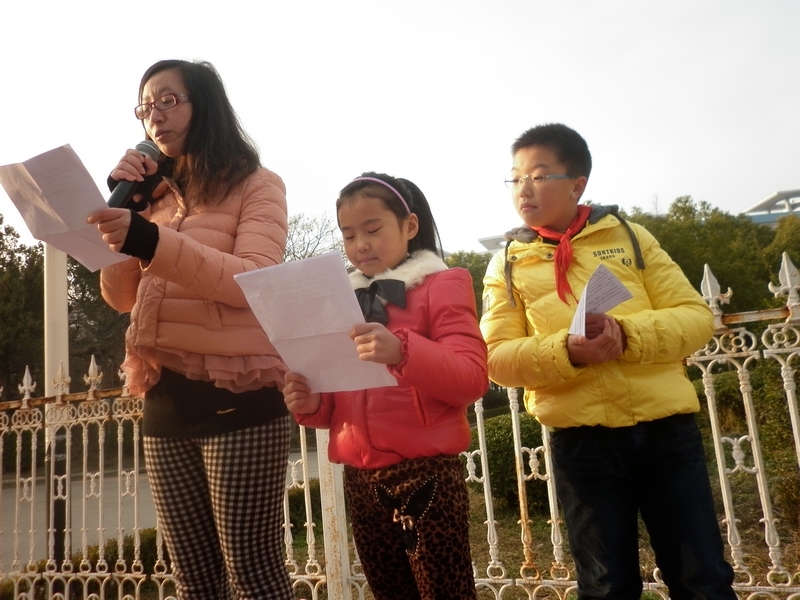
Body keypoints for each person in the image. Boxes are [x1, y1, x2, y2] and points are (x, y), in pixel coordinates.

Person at [480, 123, 737, 600]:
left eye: (539, 175)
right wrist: (566, 351)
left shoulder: (630, 236)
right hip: (582, 441)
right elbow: (497, 358)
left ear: (577, 184)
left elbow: (696, 317)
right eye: (515, 178)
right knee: (605, 585)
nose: (524, 189)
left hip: (666, 431)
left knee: (703, 578)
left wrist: (628, 335)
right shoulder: (508, 263)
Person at [88, 59, 293, 600]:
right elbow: (121, 298)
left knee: (253, 577)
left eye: (168, 100)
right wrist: (131, 211)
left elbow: (253, 280)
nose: (154, 115)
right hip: (165, 400)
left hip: (239, 397)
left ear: (206, 106)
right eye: (145, 106)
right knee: (194, 581)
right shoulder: (152, 198)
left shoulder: (258, 185)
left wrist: (152, 242)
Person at [283, 173, 488, 600]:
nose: (361, 244)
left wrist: (404, 351)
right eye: (349, 234)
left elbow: (471, 378)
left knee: (444, 592)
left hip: (426, 473)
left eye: (373, 229)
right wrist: (312, 402)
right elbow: (339, 400)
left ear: (409, 226)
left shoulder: (442, 285)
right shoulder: (342, 299)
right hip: (361, 479)